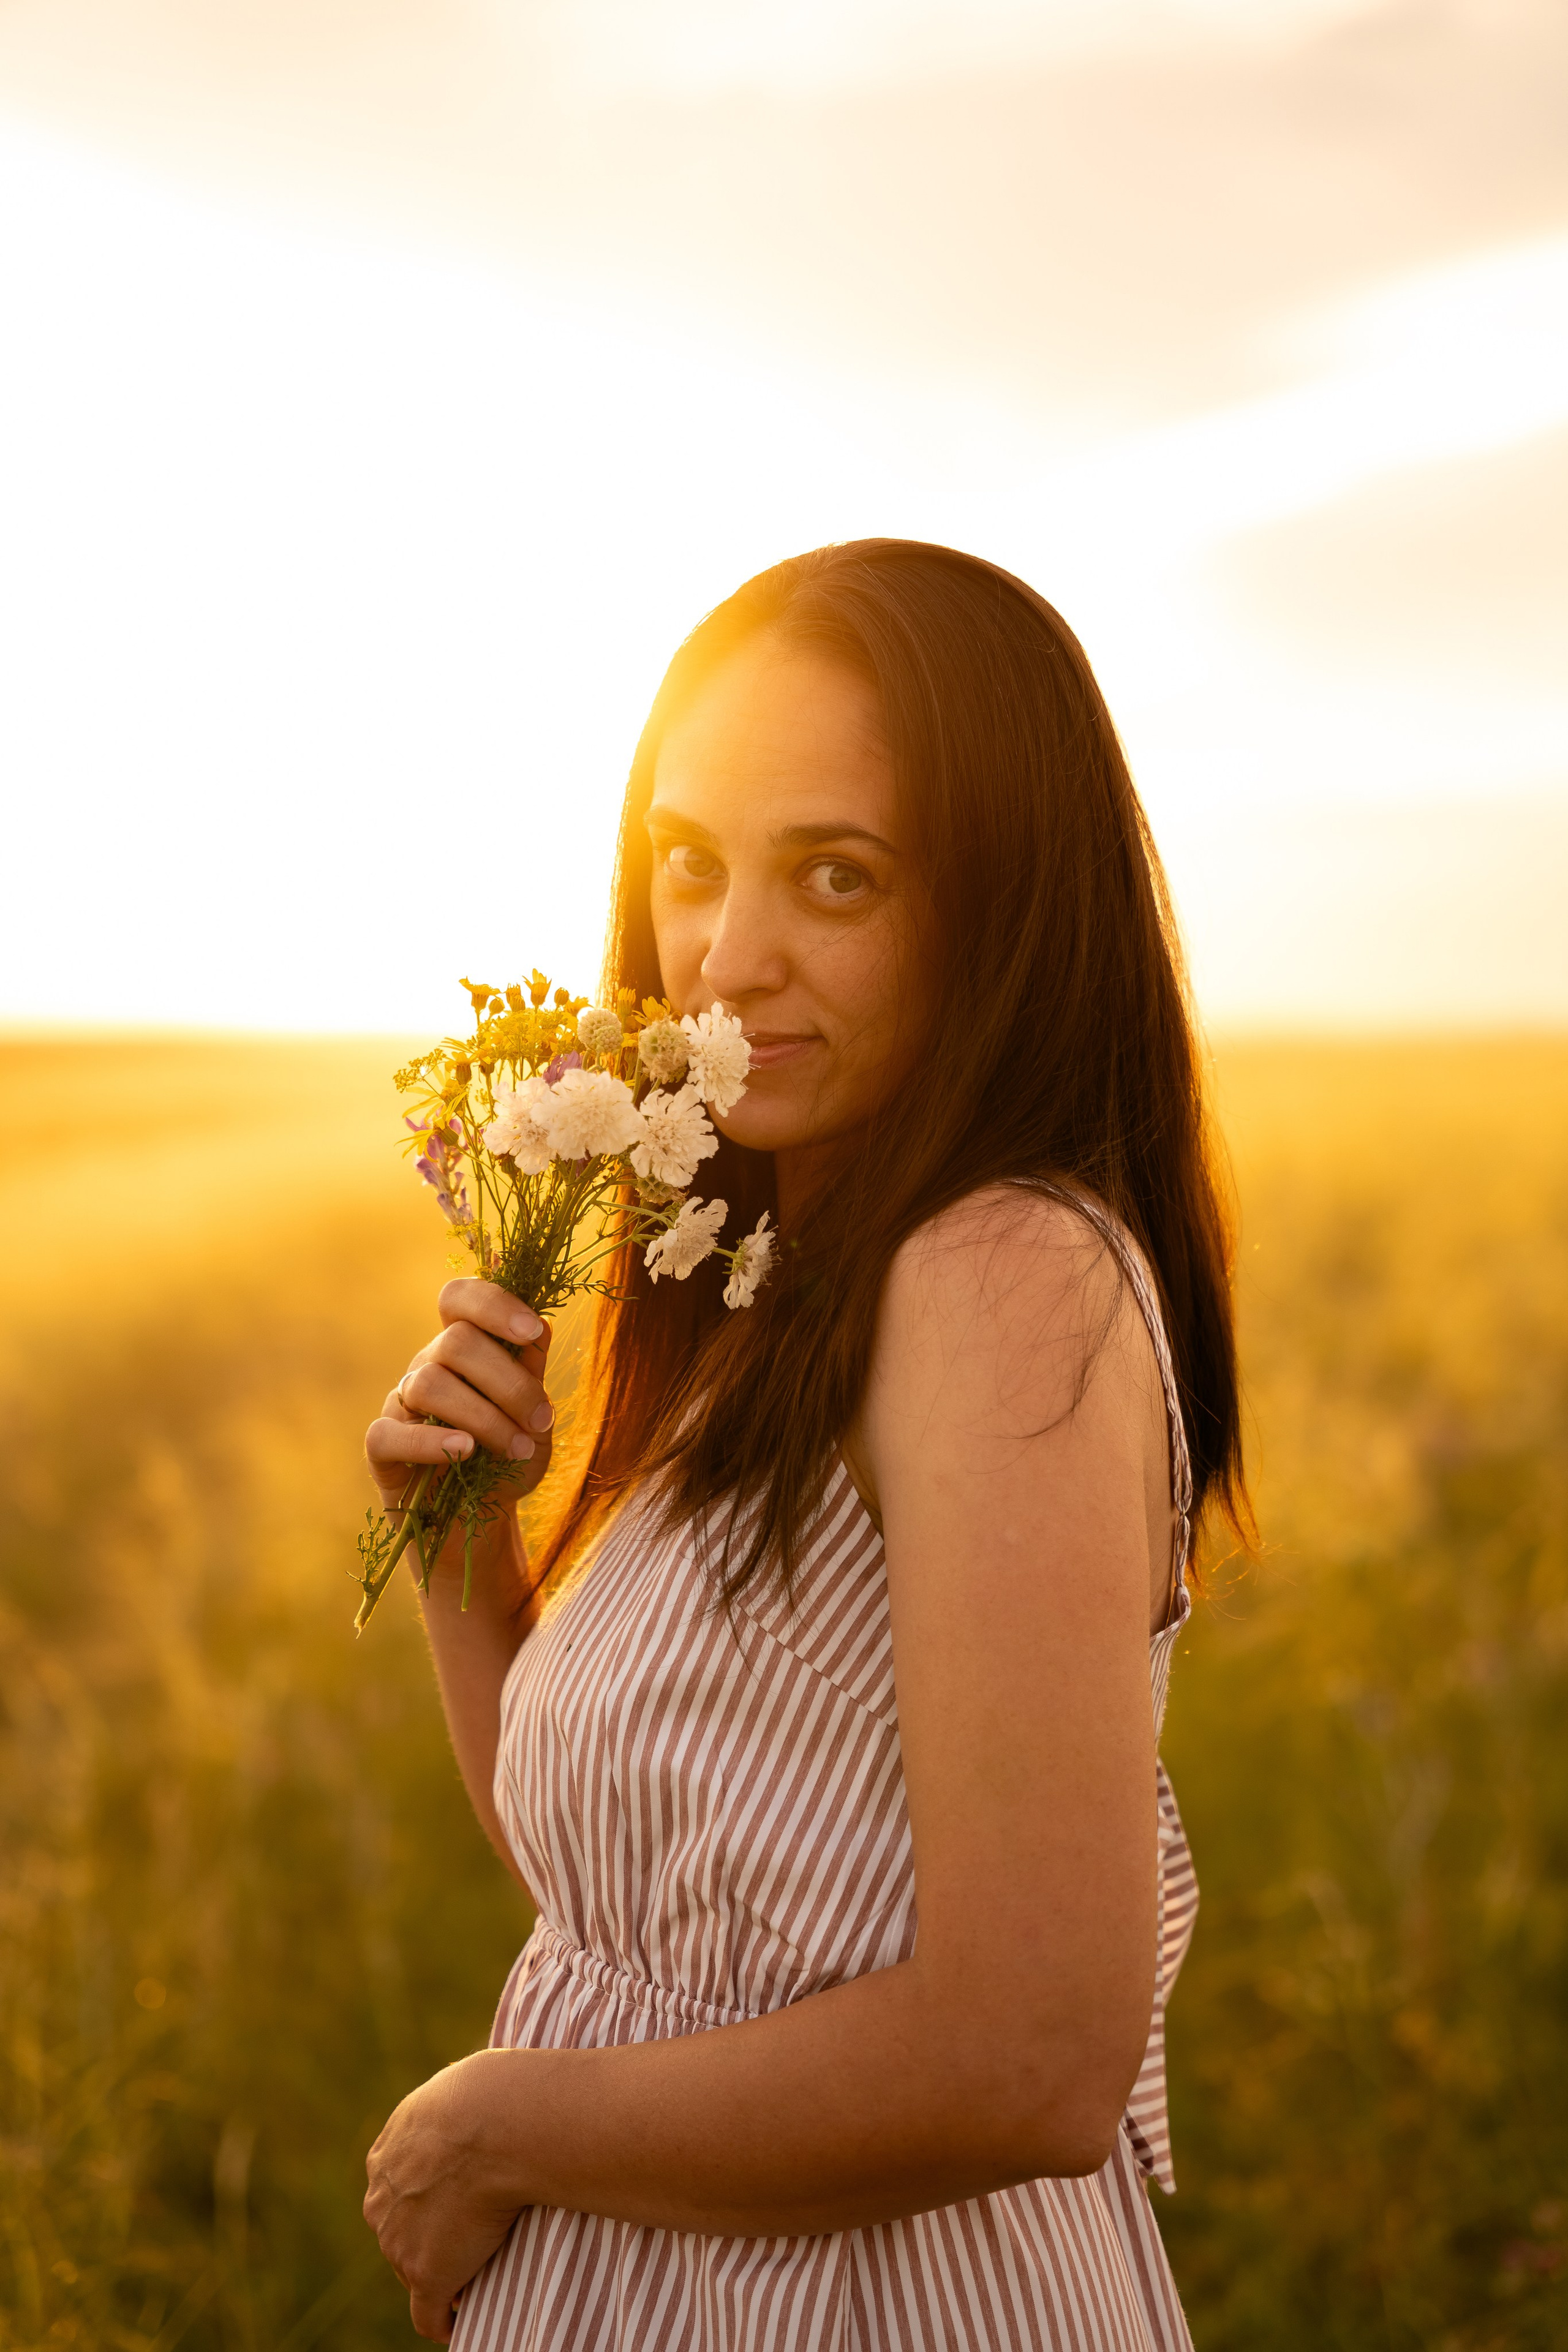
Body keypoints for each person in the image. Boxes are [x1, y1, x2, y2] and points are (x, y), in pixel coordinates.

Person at [360, 539, 1246, 2350]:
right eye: (692, 866)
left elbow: (1031, 2057)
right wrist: (469, 1544)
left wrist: (488, 2126)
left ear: (1005, 906)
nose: (724, 960)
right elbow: (645, 1920)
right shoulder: (788, 1277)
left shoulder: (996, 1273)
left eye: (836, 877)